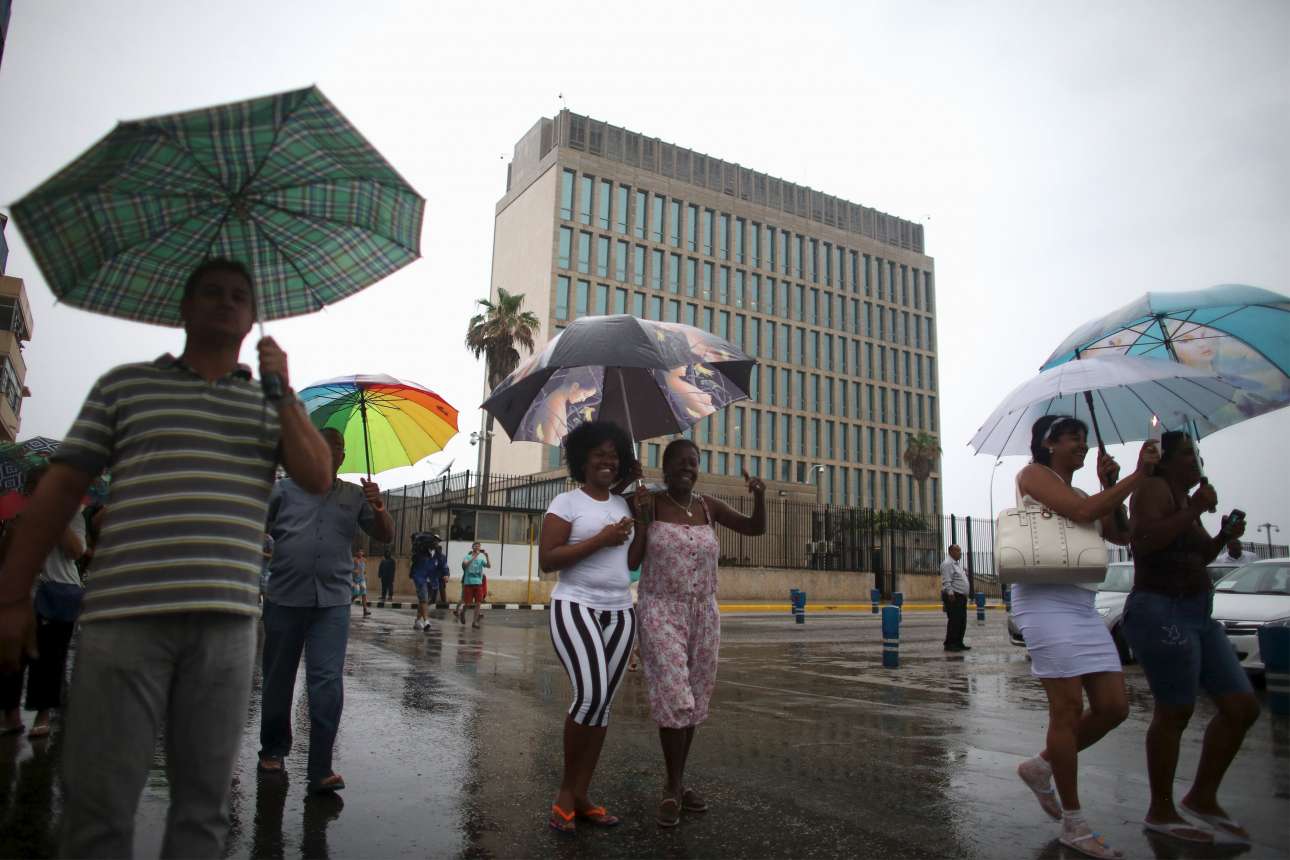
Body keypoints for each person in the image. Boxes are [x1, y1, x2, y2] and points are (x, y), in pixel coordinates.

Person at [0, 258, 334, 858]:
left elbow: (316, 476)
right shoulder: (125, 386)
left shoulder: (271, 404)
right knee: (97, 809)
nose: (226, 301)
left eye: (239, 295)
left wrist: (283, 390)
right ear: (183, 307)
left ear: (252, 317)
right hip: (122, 619)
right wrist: (10, 596)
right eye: (211, 291)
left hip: (225, 625)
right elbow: (60, 490)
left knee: (204, 813)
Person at [1011, 415, 1159, 860]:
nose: (1082, 445)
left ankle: (1041, 765)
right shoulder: (1033, 475)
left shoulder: (1083, 493)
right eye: (1073, 438)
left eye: (1084, 439)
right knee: (1067, 708)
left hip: (1080, 604)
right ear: (1048, 443)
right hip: (1043, 602)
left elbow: (1120, 533)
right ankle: (1074, 825)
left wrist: (1111, 485)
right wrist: (1138, 475)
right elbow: (1080, 515)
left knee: (1113, 706)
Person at [1123, 431, 1259, 845]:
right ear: (1165, 460)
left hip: (1199, 613)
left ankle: (1202, 796)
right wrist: (1195, 508)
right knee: (1174, 710)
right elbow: (1144, 541)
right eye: (1186, 454)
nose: (1196, 460)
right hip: (1161, 611)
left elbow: (1200, 554)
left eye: (1196, 453)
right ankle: (1160, 808)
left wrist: (1223, 535)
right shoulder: (1151, 489)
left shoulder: (1184, 498)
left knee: (1241, 707)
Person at [632, 439, 765, 827]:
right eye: (680, 462)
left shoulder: (709, 507)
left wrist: (759, 496)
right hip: (660, 610)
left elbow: (754, 528)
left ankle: (676, 780)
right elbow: (632, 558)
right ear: (665, 468)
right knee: (676, 697)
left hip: (704, 613)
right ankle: (673, 787)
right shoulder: (650, 503)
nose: (687, 468)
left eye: (693, 463)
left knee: (694, 698)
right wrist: (637, 507)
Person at [259, 427, 395, 794]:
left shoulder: (355, 495)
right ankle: (273, 750)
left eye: (338, 447)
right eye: (324, 444)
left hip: (332, 603)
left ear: (343, 457)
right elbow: (255, 524)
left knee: (327, 683)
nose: (331, 451)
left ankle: (320, 767)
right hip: (285, 598)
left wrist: (379, 506)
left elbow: (385, 535)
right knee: (278, 678)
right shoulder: (283, 491)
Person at [538, 420, 643, 834]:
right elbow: (548, 560)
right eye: (599, 454)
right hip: (575, 605)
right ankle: (565, 794)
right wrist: (601, 539)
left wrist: (641, 516)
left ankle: (582, 794)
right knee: (590, 695)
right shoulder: (566, 503)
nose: (607, 461)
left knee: (603, 705)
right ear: (582, 459)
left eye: (614, 456)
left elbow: (632, 560)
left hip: (620, 610)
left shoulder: (624, 505)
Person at [0, 465, 86, 739]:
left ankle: (43, 714)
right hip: (23, 593)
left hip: (59, 591)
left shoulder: (72, 514)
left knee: (50, 658)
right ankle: (10, 714)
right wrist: (14, 529)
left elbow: (76, 551)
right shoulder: (18, 516)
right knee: (12, 656)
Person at [940, 544, 970, 652]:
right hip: (954, 596)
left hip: (961, 597)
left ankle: (959, 642)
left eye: (960, 551)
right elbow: (946, 580)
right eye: (958, 551)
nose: (960, 553)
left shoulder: (956, 564)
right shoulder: (947, 564)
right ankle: (950, 644)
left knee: (962, 621)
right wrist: (950, 593)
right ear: (951, 552)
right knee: (954, 621)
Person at [455, 542, 490, 628]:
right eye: (475, 546)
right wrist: (474, 557)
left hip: (478, 583)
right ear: (472, 547)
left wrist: (487, 557)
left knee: (478, 603)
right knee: (467, 603)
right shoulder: (467, 557)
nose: (477, 547)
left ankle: (474, 622)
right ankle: (463, 612)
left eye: (479, 546)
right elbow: (465, 565)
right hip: (468, 583)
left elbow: (488, 566)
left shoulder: (481, 559)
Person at [352, 549, 371, 617]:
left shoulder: (364, 560)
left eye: (361, 551)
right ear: (357, 553)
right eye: (359, 551)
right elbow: (351, 569)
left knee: (364, 594)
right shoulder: (354, 560)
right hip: (356, 580)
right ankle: (348, 604)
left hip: (362, 580)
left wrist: (365, 575)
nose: (360, 553)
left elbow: (364, 570)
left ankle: (365, 610)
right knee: (356, 594)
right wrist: (354, 571)